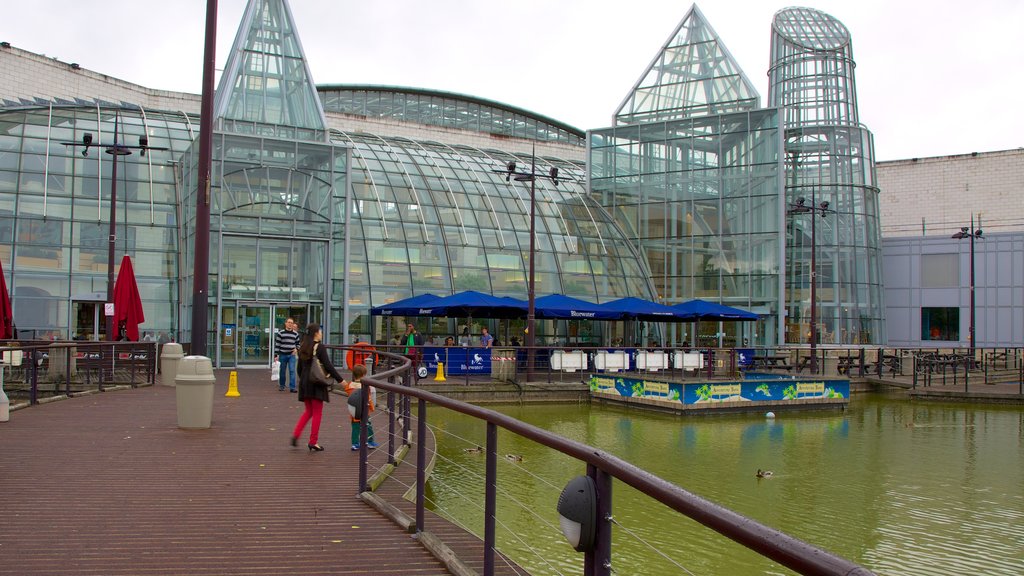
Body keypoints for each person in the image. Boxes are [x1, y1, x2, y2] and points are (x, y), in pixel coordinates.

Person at [291, 323, 343, 452]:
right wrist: (341, 380)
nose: (321, 333)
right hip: (316, 383)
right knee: (317, 413)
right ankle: (313, 441)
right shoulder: (319, 347)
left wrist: (304, 379)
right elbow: (328, 365)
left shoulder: (303, 346)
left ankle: (296, 434)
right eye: (320, 331)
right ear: (315, 333)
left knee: (308, 411)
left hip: (305, 382)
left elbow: (299, 368)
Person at [343, 364, 378, 451]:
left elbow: (348, 392)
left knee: (355, 428)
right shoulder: (366, 387)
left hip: (354, 411)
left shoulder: (350, 386)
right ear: (363, 375)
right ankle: (370, 441)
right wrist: (372, 407)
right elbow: (368, 398)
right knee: (368, 427)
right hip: (365, 411)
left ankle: (355, 443)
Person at [274, 317, 300, 392]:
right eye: (289, 322)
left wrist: (296, 349)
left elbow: (298, 344)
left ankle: (292, 388)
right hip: (282, 355)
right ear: (285, 323)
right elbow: (277, 344)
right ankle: (282, 385)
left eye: (291, 323)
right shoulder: (280, 333)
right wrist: (276, 355)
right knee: (282, 371)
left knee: (292, 371)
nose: (290, 324)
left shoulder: (295, 334)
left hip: (292, 355)